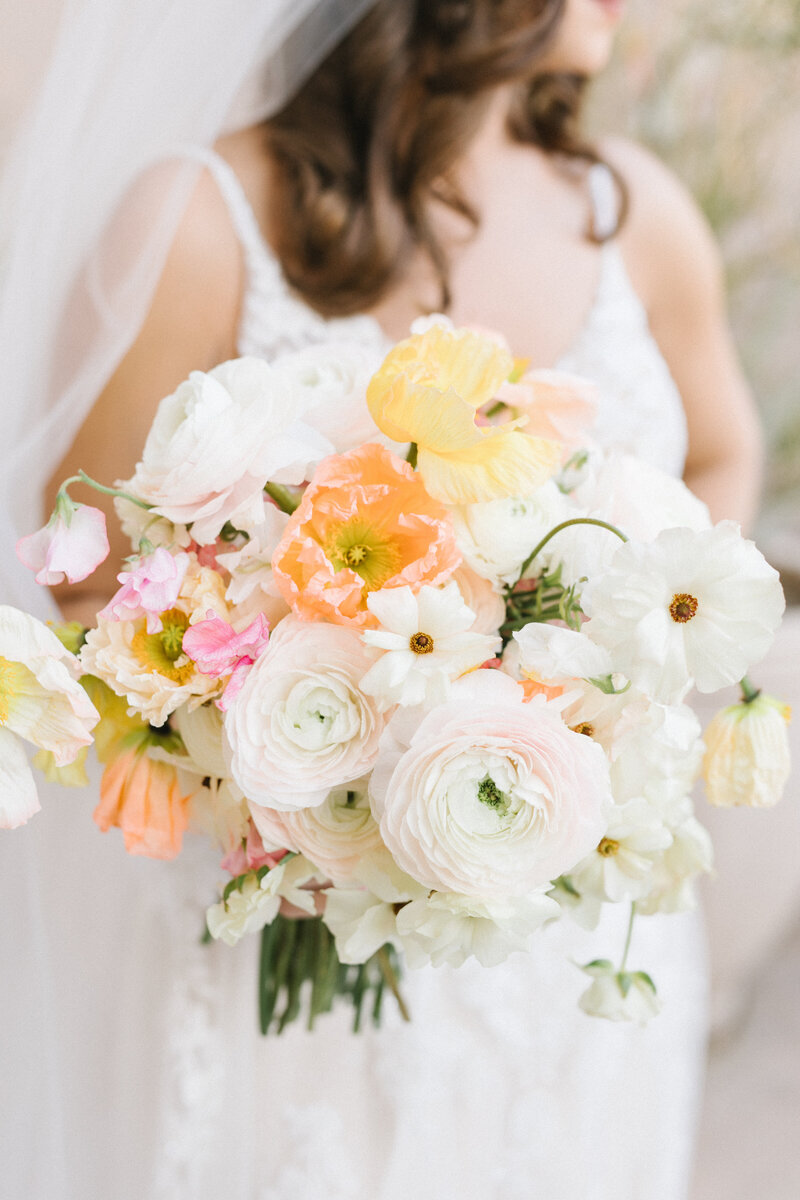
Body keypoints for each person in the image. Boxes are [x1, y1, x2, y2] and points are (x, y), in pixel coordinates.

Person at [0, 2, 763, 1198]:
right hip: (290, 932)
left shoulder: (635, 212)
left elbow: (719, 457)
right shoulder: (202, 219)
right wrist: (308, 764)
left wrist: (616, 681)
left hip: (568, 945)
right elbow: (75, 566)